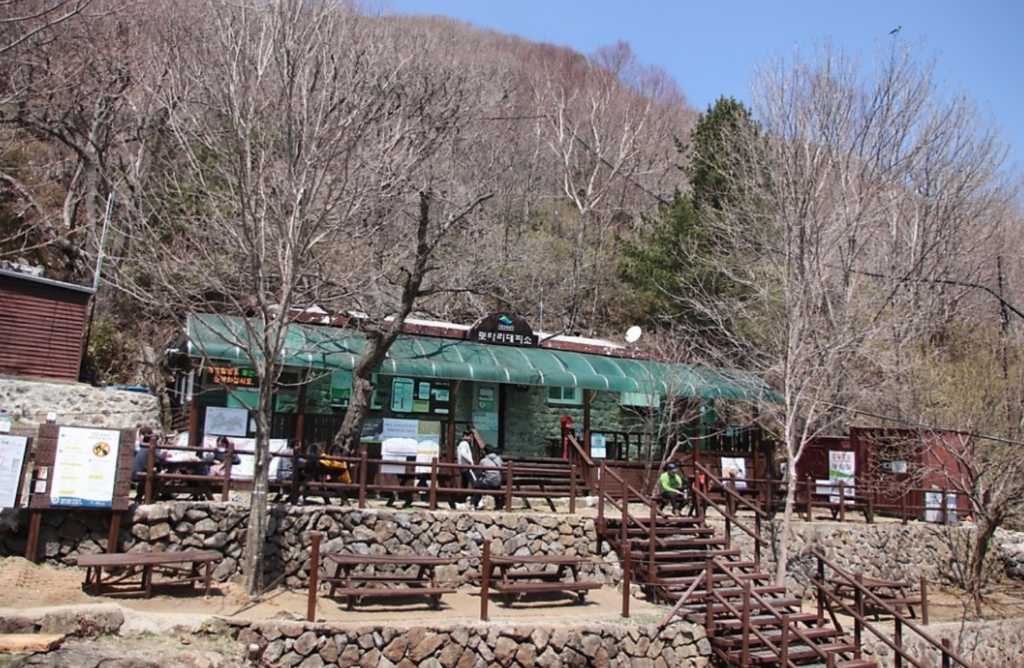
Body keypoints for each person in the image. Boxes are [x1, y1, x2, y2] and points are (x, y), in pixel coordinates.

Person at [471, 443, 505, 510]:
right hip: (498, 482)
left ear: (484, 452)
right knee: (496, 488)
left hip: (488, 482)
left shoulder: (483, 461)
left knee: (477, 485)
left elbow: (479, 472)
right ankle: (498, 506)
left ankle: (474, 504)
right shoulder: (499, 459)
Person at [455, 429, 477, 498]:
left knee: (464, 484)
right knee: (475, 482)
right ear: (465, 436)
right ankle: (475, 500)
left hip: (462, 466)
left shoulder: (460, 443)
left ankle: (462, 498)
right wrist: (470, 461)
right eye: (470, 436)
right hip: (466, 466)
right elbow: (463, 453)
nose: (471, 438)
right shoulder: (464, 443)